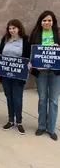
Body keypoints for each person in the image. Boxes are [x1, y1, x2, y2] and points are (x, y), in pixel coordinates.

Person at [30, 11, 60, 141]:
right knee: (42, 99)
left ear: (53, 22)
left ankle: (51, 128)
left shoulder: (58, 34)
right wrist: (35, 64)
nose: (47, 23)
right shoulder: (35, 34)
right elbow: (31, 52)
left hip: (55, 72)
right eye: (44, 20)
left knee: (53, 100)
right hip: (41, 71)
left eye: (49, 20)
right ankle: (41, 126)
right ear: (40, 22)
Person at [0, 19, 30, 135]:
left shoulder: (25, 41)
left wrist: (28, 64)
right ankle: (10, 120)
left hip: (18, 76)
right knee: (9, 97)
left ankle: (19, 122)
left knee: (17, 99)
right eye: (10, 28)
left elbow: (27, 57)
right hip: (6, 75)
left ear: (19, 28)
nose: (11, 30)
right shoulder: (5, 39)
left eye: (14, 28)